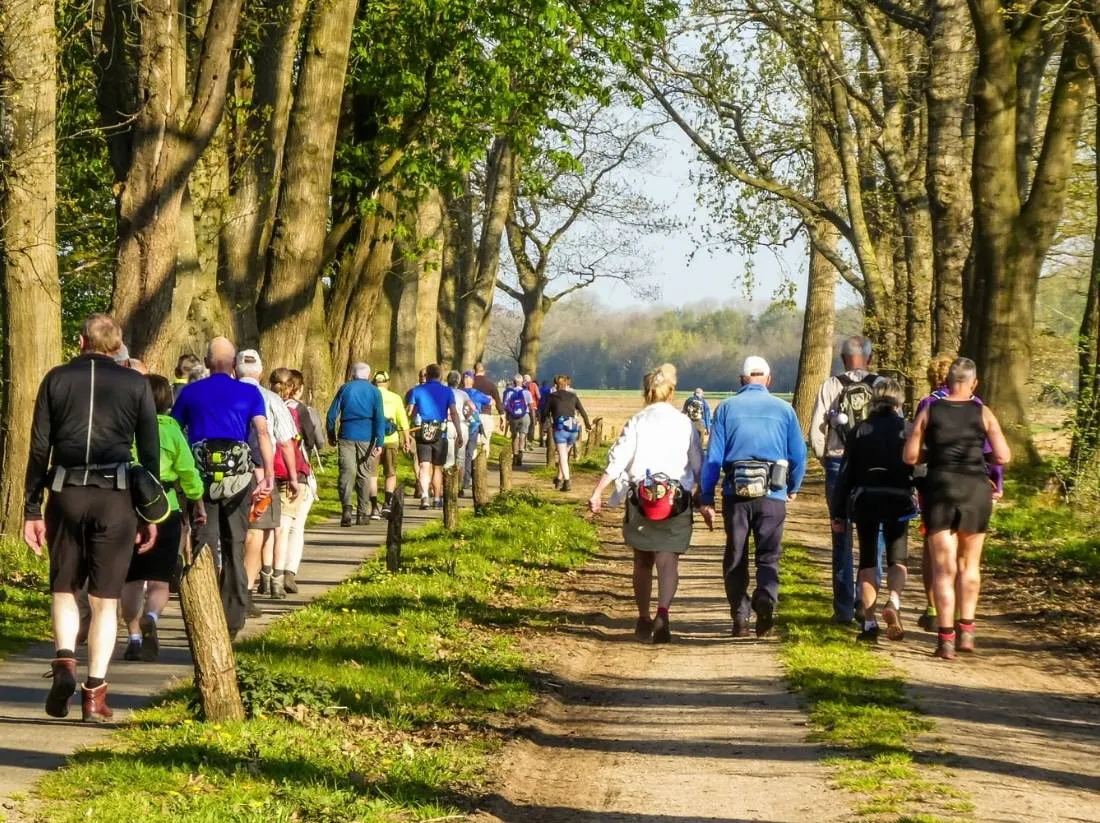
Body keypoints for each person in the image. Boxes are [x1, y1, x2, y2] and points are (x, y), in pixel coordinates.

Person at [24, 314, 160, 721]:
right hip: (115, 497)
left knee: (64, 588)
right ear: (117, 345)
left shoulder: (56, 379)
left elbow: (39, 448)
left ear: (81, 341)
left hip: (65, 494)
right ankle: (94, 693)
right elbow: (149, 451)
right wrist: (149, 511)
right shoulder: (135, 383)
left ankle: (65, 661)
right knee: (105, 600)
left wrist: (32, 508)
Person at [588, 364, 707, 644]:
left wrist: (598, 492)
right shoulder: (685, 424)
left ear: (647, 392)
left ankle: (643, 618)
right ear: (671, 393)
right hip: (676, 500)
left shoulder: (637, 421)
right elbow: (698, 464)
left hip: (642, 500)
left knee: (642, 562)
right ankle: (663, 613)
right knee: (668, 561)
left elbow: (618, 459)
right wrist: (704, 495)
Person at [904, 357, 1010, 659]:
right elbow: (1003, 456)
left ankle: (945, 640)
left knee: (944, 568)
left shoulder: (930, 409)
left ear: (947, 381)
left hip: (940, 488)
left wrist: (933, 453)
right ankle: (967, 631)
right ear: (974, 383)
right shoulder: (983, 411)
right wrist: (980, 459)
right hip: (975, 491)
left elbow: (910, 456)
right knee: (969, 565)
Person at [173, 337, 275, 637]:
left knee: (204, 543)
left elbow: (175, 431)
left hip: (201, 480)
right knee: (234, 544)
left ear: (206, 362)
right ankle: (233, 616)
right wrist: (268, 475)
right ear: (233, 364)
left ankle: (206, 612)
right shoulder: (249, 393)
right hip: (238, 480)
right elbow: (263, 433)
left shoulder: (190, 392)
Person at [700, 356, 806, 638]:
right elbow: (799, 455)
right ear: (768, 380)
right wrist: (793, 487)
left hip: (736, 495)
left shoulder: (726, 408)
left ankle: (740, 615)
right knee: (769, 556)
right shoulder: (785, 410)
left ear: (741, 380)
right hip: (773, 493)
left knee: (736, 555)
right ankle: (766, 598)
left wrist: (707, 496)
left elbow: (713, 457)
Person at [120, 375, 205, 662]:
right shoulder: (172, 431)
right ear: (168, 401)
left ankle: (133, 638)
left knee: (131, 579)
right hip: (166, 508)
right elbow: (188, 471)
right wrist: (197, 500)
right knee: (160, 580)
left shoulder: (126, 428)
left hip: (130, 507)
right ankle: (152, 616)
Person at [829, 379, 914, 643]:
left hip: (866, 500)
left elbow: (845, 475)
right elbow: (919, 468)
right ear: (899, 402)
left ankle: (868, 623)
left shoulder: (859, 431)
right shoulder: (907, 430)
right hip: (899, 500)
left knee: (868, 561)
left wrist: (838, 513)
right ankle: (894, 601)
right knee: (897, 558)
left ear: (872, 400)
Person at [809, 335, 883, 624]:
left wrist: (824, 457)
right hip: (873, 467)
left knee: (840, 535)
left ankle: (842, 609)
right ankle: (866, 603)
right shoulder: (882, 385)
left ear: (842, 359)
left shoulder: (831, 385)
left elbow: (817, 430)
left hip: (838, 462)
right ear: (870, 358)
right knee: (873, 535)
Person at [236, 350, 300, 599]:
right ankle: (246, 590)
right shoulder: (272, 399)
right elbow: (285, 442)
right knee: (257, 531)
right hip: (262, 471)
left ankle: (229, 583)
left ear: (234, 370)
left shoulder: (224, 395)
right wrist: (293, 476)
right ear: (261, 373)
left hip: (225, 469)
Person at [266, 368, 313, 597]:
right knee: (288, 528)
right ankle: (283, 574)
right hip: (289, 472)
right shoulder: (296, 410)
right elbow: (307, 441)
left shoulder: (260, 403)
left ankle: (264, 576)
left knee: (266, 528)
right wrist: (295, 476)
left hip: (264, 471)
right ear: (294, 388)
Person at [327, 363, 387, 525]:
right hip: (367, 437)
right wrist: (379, 441)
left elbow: (332, 415)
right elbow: (379, 418)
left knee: (347, 472)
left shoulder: (345, 388)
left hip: (346, 435)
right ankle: (362, 513)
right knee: (364, 473)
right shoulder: (374, 391)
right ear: (369, 375)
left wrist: (331, 434)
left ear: (353, 374)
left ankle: (346, 509)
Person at [282, 369, 323, 590]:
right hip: (299, 473)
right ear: (298, 389)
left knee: (278, 526)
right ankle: (289, 571)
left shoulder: (266, 404)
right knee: (296, 526)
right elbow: (313, 441)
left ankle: (270, 572)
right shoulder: (302, 410)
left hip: (270, 472)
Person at [407, 364, 464, 510]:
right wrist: (459, 432)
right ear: (440, 376)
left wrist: (409, 427)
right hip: (441, 433)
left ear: (427, 375)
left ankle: (425, 496)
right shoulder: (447, 391)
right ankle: (437, 498)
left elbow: (410, 412)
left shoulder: (417, 391)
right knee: (438, 468)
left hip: (422, 432)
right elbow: (453, 412)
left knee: (424, 465)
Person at [541, 374, 592, 492]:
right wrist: (588, 426)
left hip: (560, 429)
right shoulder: (573, 396)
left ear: (555, 385)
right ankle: (559, 479)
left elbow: (544, 413)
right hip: (573, 430)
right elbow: (583, 412)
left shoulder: (551, 397)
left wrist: (544, 426)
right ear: (566, 385)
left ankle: (567, 481)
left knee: (562, 457)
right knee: (564, 455)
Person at [372, 370, 413, 517]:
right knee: (390, 473)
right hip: (391, 439)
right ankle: (387, 503)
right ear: (388, 383)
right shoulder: (395, 398)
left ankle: (373, 507)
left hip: (373, 440)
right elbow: (403, 420)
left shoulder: (370, 396)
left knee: (372, 475)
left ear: (374, 383)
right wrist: (406, 440)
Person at [446, 370, 478, 489]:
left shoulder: (444, 392)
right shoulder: (463, 394)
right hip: (462, 424)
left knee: (449, 458)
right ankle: (459, 487)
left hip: (448, 424)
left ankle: (449, 486)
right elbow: (473, 408)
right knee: (461, 458)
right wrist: (466, 416)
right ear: (459, 381)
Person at [462, 371, 493, 495]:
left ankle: (458, 478)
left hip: (460, 426)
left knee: (459, 453)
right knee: (469, 453)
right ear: (472, 381)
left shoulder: (458, 392)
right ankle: (466, 480)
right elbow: (490, 402)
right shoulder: (476, 393)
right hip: (473, 426)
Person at [503, 374, 535, 467]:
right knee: (522, 435)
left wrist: (507, 417)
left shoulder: (509, 393)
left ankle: (515, 455)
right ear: (522, 382)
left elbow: (506, 406)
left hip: (513, 417)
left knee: (514, 436)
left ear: (514, 382)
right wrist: (533, 418)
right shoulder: (527, 392)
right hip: (525, 416)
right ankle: (521, 452)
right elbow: (531, 407)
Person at [472, 362, 504, 441]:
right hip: (486, 415)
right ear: (484, 371)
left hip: (471, 415)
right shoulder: (491, 385)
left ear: (474, 371)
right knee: (485, 442)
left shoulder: (468, 384)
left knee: (472, 442)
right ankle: (485, 448)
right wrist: (502, 416)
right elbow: (498, 402)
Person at [524, 374, 542, 449]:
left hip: (524, 408)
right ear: (530, 379)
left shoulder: (522, 385)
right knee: (532, 425)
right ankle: (530, 442)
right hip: (533, 407)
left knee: (525, 425)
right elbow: (539, 396)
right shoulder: (534, 385)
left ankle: (524, 441)